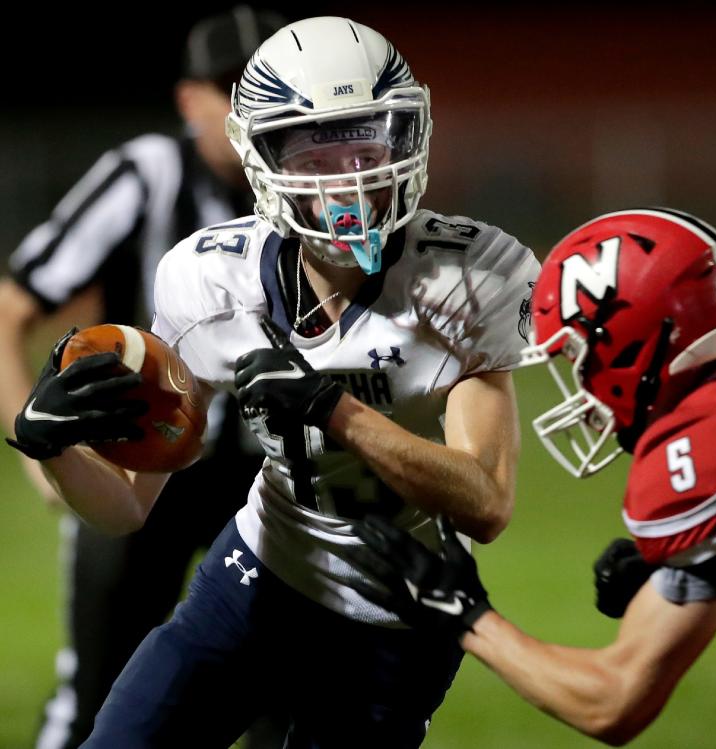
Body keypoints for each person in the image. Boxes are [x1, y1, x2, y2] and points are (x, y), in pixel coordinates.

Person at [6, 15, 539, 748]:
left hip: (398, 610)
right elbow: (128, 507)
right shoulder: (208, 277)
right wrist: (50, 445)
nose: (350, 173)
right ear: (261, 155)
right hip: (255, 576)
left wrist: (334, 407)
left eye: (366, 137)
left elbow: (486, 501)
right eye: (316, 149)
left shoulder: (474, 273)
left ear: (407, 134)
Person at [341, 207, 716, 747]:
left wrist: (466, 615)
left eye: (579, 354)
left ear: (633, 341)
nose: (579, 384)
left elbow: (612, 704)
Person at [0, 7, 286, 748]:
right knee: (99, 695)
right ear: (189, 99)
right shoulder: (147, 173)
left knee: (282, 693)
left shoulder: (307, 186)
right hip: (144, 463)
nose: (248, 104)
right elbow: (10, 306)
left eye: (266, 83)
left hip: (266, 475)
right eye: (231, 86)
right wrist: (37, 443)